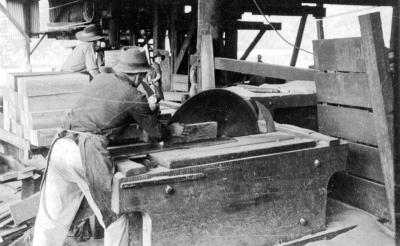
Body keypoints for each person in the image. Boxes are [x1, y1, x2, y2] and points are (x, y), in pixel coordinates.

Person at [33, 46, 185, 246]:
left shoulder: (100, 79)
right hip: (85, 153)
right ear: (139, 75)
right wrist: (172, 129)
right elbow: (156, 133)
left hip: (60, 145)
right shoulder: (133, 95)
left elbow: (105, 111)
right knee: (114, 216)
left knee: (51, 217)